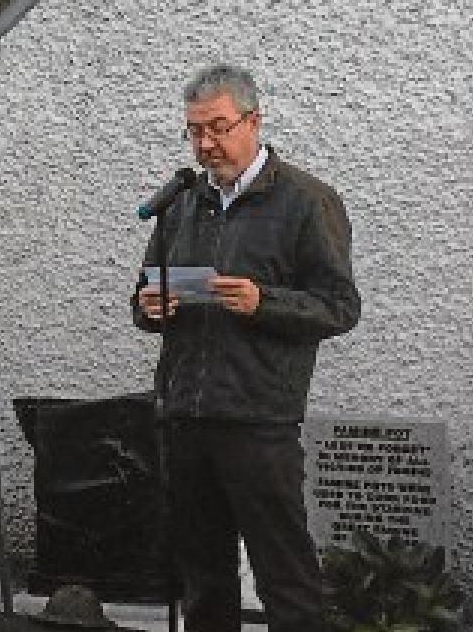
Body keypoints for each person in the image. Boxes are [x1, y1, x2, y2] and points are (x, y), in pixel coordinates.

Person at [131, 64, 360, 632]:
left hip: (260, 419)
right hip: (186, 416)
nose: (206, 144)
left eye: (217, 128)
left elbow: (339, 306)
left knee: (286, 577)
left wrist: (265, 303)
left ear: (253, 121)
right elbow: (143, 293)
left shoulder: (307, 202)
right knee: (203, 578)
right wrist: (148, 308)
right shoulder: (181, 204)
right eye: (194, 132)